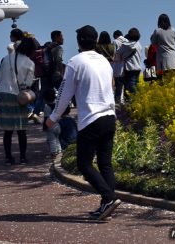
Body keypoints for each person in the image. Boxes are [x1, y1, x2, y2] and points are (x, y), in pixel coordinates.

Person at [46, 25, 120, 221]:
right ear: (95, 41)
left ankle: (109, 197)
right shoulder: (104, 61)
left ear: (79, 42)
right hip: (110, 116)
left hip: (91, 119)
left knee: (84, 163)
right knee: (105, 163)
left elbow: (64, 94)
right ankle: (107, 205)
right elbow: (112, 85)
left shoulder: (75, 62)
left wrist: (52, 118)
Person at [0, 37, 35, 164]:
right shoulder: (29, 63)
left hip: (4, 94)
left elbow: (0, 78)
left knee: (7, 131)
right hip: (19, 97)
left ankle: (8, 158)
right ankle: (23, 157)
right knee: (21, 130)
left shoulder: (5, 59)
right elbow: (28, 83)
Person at [116, 28, 142, 97]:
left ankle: (129, 104)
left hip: (129, 69)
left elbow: (118, 53)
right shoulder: (139, 44)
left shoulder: (126, 45)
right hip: (138, 69)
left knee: (129, 88)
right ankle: (135, 102)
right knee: (135, 86)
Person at [42, 88, 62, 158]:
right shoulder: (56, 104)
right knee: (57, 139)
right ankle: (59, 151)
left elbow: (46, 118)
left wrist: (45, 126)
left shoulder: (47, 107)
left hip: (50, 125)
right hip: (58, 125)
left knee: (51, 140)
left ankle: (53, 153)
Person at [112, 30, 127, 104]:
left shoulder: (115, 41)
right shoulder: (127, 41)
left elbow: (114, 53)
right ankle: (124, 100)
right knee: (125, 84)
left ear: (115, 35)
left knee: (118, 84)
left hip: (117, 64)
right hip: (126, 65)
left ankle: (117, 100)